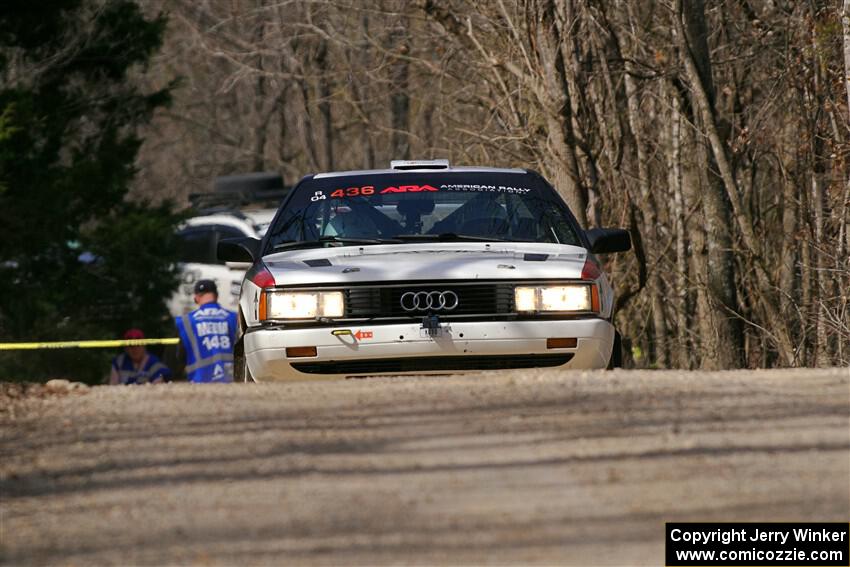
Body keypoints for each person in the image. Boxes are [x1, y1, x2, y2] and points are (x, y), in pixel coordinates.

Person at [174, 279, 237, 383]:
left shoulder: (186, 321)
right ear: (216, 296)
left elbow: (179, 356)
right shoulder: (233, 318)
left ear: (196, 298)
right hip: (229, 379)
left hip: (199, 379)